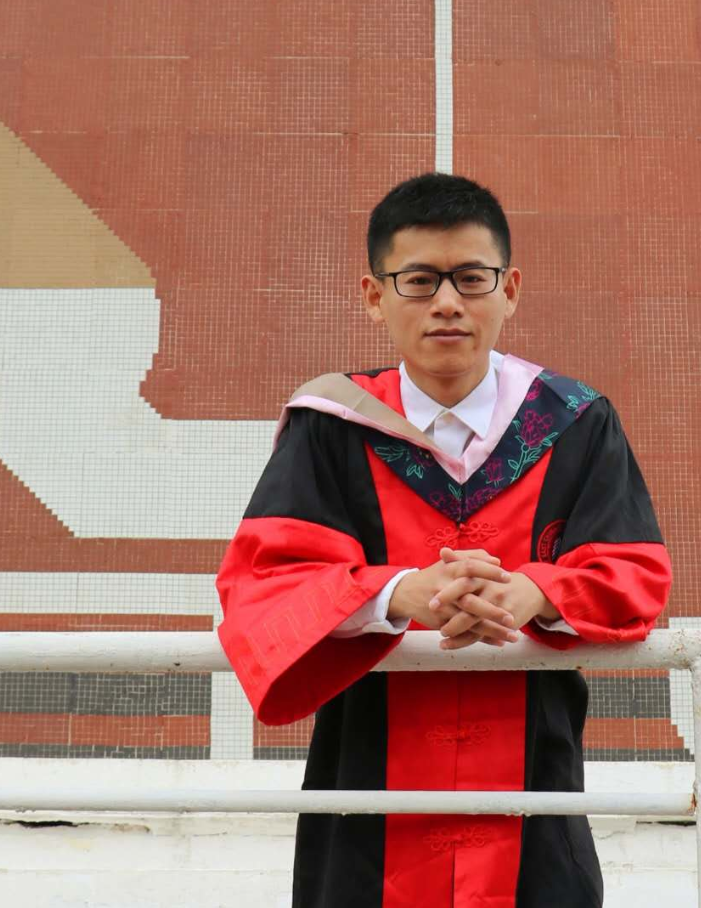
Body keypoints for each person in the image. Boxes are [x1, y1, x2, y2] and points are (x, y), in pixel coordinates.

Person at [215, 173, 673, 908]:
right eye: (420, 280)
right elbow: (266, 580)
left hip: (534, 787)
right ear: (374, 296)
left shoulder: (575, 422)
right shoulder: (332, 426)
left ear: (509, 289)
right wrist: (401, 593)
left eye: (471, 278)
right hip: (364, 787)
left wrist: (534, 591)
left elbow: (633, 571)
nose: (448, 303)